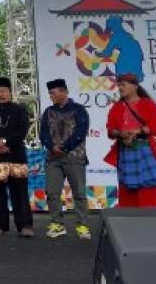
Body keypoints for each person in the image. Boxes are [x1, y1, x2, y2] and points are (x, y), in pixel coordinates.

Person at [0, 78, 33, 238]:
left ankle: (25, 226)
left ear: (9, 93)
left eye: (3, 91)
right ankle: (1, 225)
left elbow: (22, 131)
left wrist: (4, 141)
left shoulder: (20, 110)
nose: (0, 94)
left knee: (20, 193)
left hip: (16, 157)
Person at [39, 79, 91, 240]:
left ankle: (82, 225)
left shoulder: (79, 110)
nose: (51, 96)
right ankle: (57, 224)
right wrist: (51, 147)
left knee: (79, 193)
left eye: (53, 93)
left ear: (64, 92)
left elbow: (81, 132)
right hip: (53, 158)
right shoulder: (48, 111)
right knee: (52, 192)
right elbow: (43, 133)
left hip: (75, 157)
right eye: (49, 93)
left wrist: (64, 148)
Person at [104, 73, 156, 207]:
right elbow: (110, 130)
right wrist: (121, 134)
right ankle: (129, 218)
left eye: (123, 85)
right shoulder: (117, 107)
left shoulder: (148, 104)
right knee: (127, 187)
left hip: (143, 149)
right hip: (125, 150)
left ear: (135, 86)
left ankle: (153, 217)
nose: (120, 88)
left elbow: (155, 127)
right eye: (119, 85)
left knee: (148, 186)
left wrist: (137, 131)